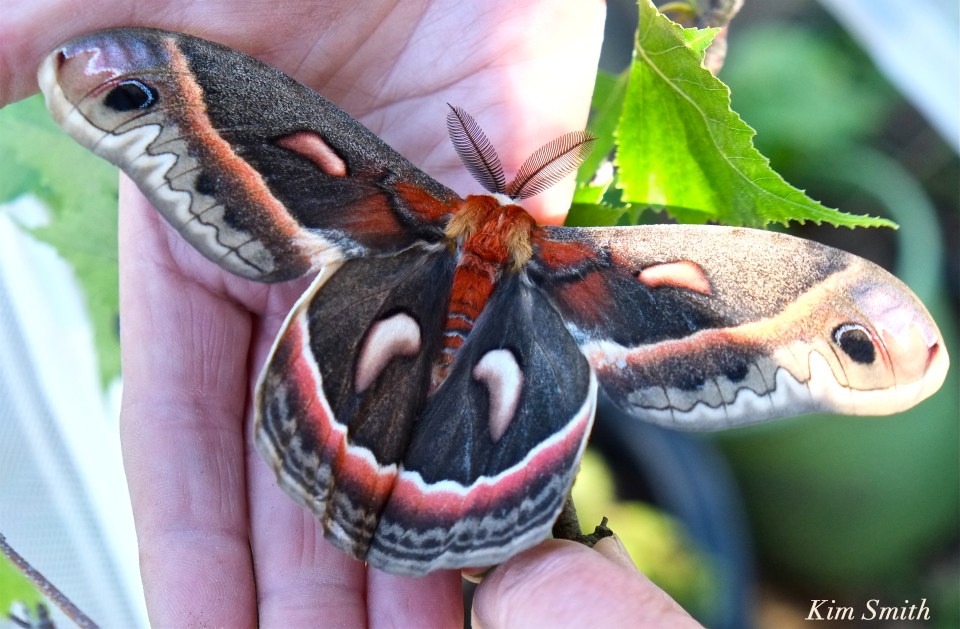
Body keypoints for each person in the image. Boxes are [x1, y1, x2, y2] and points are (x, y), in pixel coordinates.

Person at [2, 1, 702, 626]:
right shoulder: (568, 261)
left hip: (429, 309)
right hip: (434, 319)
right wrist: (155, 82)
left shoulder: (419, 204)